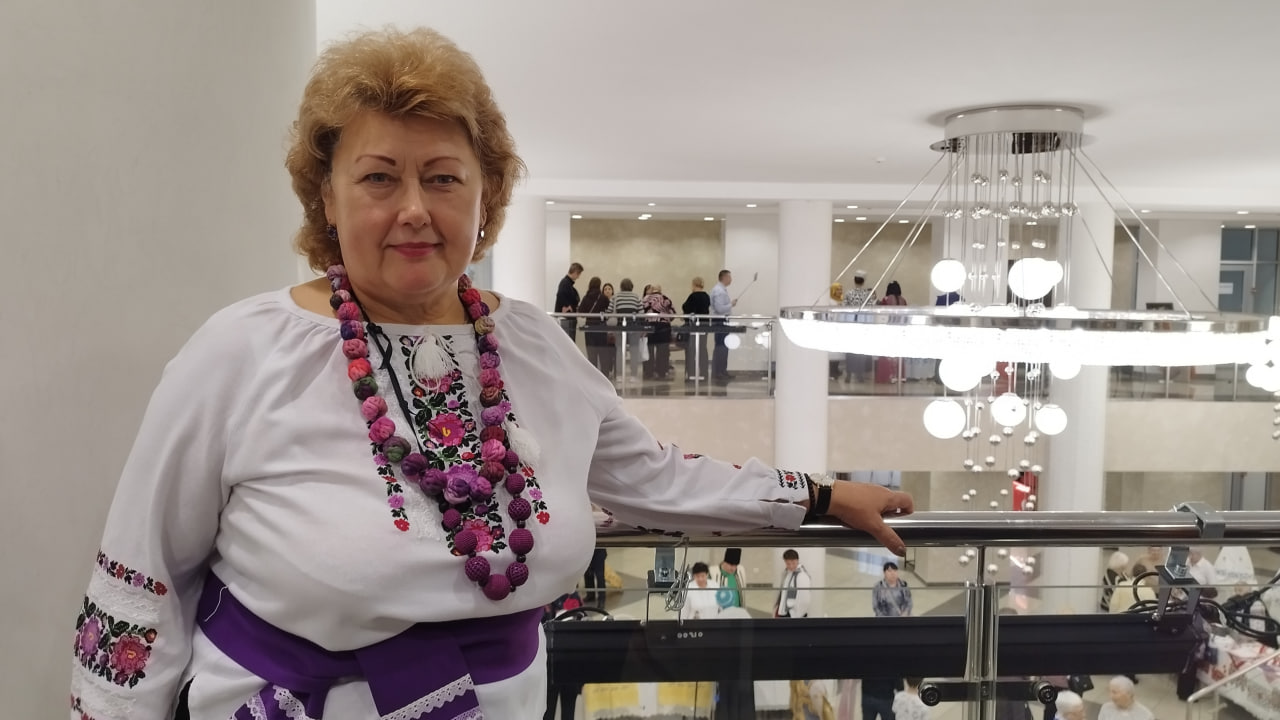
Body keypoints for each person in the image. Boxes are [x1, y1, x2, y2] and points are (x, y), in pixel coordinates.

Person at [68, 27, 914, 720]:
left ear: (485, 199)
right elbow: (144, 576)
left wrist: (815, 496)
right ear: (326, 197)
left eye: (443, 179)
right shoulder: (241, 352)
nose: (413, 209)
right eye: (378, 178)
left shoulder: (535, 345)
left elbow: (652, 476)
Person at [579, 276, 613, 377]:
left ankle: (592, 376)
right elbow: (609, 311)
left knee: (591, 353)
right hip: (601, 327)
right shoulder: (603, 298)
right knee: (603, 353)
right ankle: (605, 375)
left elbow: (581, 312)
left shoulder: (586, 297)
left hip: (589, 327)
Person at [681, 276, 711, 381]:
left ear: (693, 285)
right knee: (703, 348)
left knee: (692, 349)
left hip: (694, 325)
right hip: (705, 324)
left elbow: (686, 307)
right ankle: (704, 372)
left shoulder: (692, 296)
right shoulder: (706, 296)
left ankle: (691, 373)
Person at [710, 269, 735, 381]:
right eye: (729, 277)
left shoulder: (720, 290)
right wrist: (731, 304)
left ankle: (722, 370)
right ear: (724, 277)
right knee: (721, 346)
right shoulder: (719, 291)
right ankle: (719, 372)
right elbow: (720, 309)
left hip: (721, 321)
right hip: (720, 321)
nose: (731, 279)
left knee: (723, 346)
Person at [775, 549, 813, 618]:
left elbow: (804, 599)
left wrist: (794, 615)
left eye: (793, 563)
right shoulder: (787, 573)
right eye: (788, 564)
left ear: (797, 560)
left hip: (794, 614)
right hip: (787, 612)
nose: (791, 566)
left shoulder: (802, 576)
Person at [555, 262, 583, 339]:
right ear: (575, 272)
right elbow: (560, 295)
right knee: (568, 339)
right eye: (578, 274)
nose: (578, 277)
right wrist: (567, 306)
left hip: (568, 318)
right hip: (567, 319)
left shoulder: (567, 284)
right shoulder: (565, 283)